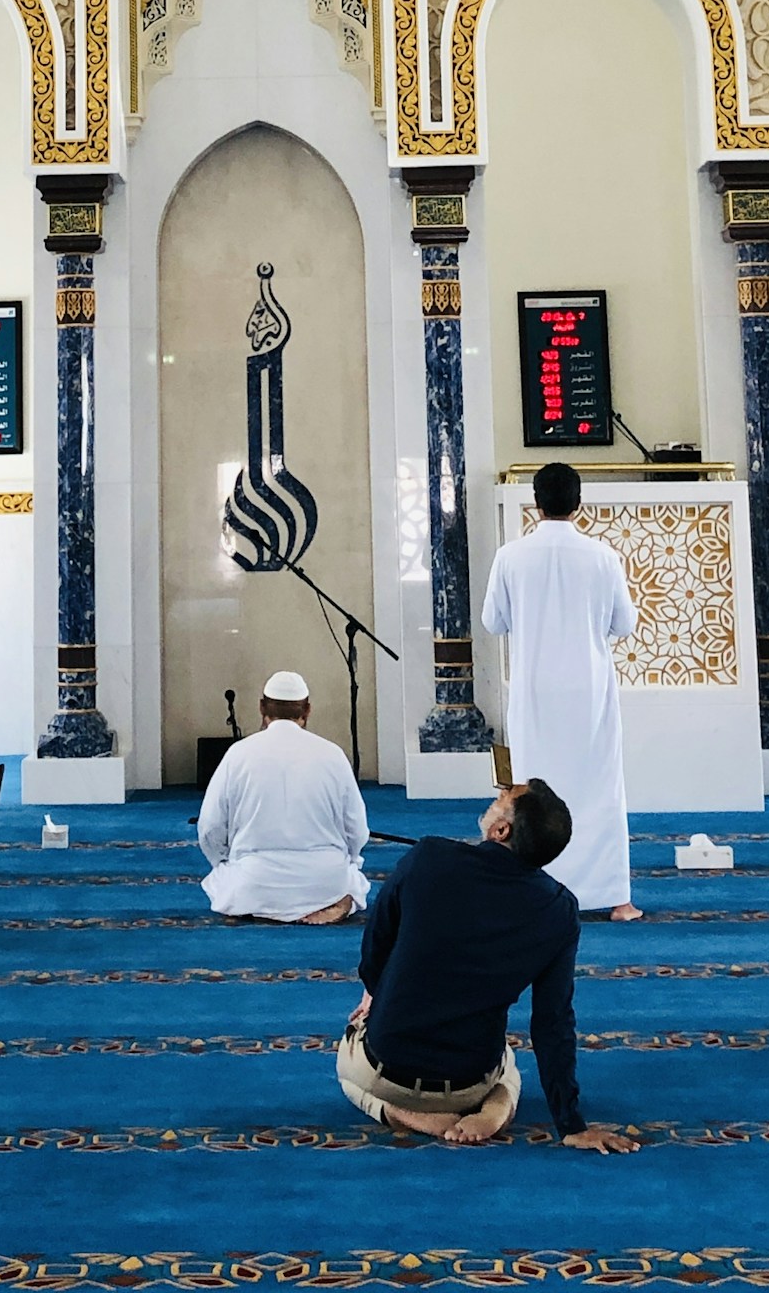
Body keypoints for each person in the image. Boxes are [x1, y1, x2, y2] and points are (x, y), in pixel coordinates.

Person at [335, 776, 637, 1150]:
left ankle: (402, 1114)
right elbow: (553, 1021)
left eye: (505, 796)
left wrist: (374, 995)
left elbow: (375, 948)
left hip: (388, 1071)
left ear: (500, 830)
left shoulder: (429, 857)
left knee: (347, 1068)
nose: (498, 795)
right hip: (469, 1081)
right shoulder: (559, 911)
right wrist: (570, 1124)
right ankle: (498, 1107)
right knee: (508, 1063)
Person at [481, 460, 640, 918]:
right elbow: (624, 625)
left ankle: (531, 891)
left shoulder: (510, 556)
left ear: (536, 503)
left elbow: (493, 622)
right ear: (578, 503)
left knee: (532, 792)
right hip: (589, 691)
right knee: (600, 789)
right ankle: (616, 898)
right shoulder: (603, 557)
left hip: (533, 691)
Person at [197, 670, 369, 924]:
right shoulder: (333, 754)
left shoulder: (238, 754)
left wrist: (223, 861)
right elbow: (357, 829)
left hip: (255, 879)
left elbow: (210, 827)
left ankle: (256, 906)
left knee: (225, 882)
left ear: (261, 708)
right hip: (324, 880)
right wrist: (350, 861)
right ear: (307, 710)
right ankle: (337, 900)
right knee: (350, 878)